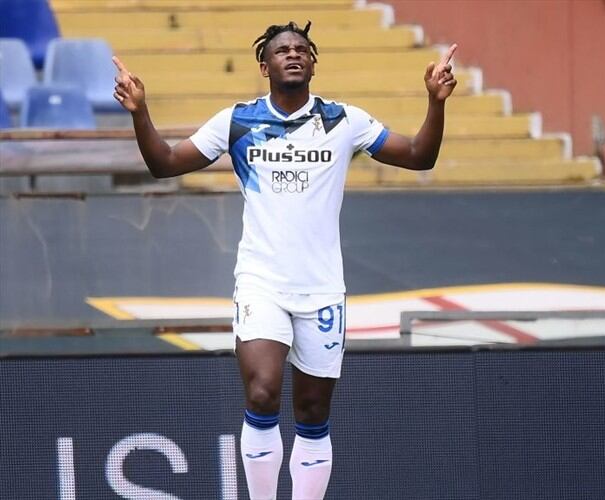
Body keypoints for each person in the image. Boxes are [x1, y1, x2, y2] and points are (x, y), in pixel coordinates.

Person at [112, 21, 457, 500]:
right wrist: (140, 111)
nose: (293, 55)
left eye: (302, 49)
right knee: (262, 391)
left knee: (313, 413)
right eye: (282, 51)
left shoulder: (344, 121)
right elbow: (165, 163)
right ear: (264, 66)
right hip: (262, 283)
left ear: (314, 63)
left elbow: (420, 156)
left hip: (321, 289)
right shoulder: (238, 120)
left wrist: (435, 103)